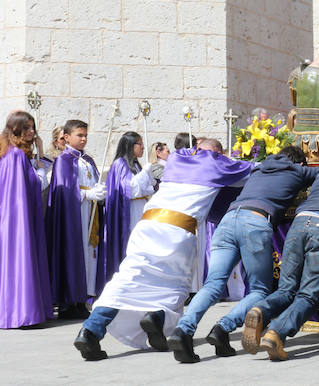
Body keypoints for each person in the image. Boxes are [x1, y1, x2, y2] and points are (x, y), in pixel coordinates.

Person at [73, 141, 252, 361]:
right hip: (177, 230)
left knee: (127, 279)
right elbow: (254, 170)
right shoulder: (217, 164)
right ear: (218, 153)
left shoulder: (177, 159)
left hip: (147, 225)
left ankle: (90, 331)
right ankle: (157, 317)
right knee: (176, 285)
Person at [168, 145, 319, 363]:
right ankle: (222, 328)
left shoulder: (259, 169)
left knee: (212, 285)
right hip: (256, 222)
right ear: (300, 163)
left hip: (228, 220)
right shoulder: (297, 170)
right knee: (259, 290)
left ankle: (183, 331)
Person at [242, 152, 319, 362]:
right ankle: (276, 332)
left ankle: (260, 310)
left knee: (286, 289)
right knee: (308, 295)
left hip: (299, 222)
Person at [46, 119, 106, 319]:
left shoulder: (87, 159)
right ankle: (69, 301)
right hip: (74, 214)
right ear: (67, 137)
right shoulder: (64, 160)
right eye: (79, 135)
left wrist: (100, 191)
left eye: (85, 135)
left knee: (90, 255)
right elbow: (64, 191)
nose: (83, 139)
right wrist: (87, 194)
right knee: (74, 253)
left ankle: (83, 298)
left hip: (90, 211)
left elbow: (94, 180)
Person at [0, 111, 54, 328]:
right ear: (16, 130)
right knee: (20, 259)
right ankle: (22, 313)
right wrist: (41, 172)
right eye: (28, 128)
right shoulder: (16, 156)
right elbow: (31, 186)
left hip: (9, 218)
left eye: (33, 128)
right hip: (18, 219)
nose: (32, 132)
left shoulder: (6, 153)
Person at [96, 132, 163, 294]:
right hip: (129, 212)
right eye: (139, 144)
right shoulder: (120, 164)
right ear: (130, 145)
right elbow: (131, 189)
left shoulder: (136, 164)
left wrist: (147, 181)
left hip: (141, 210)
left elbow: (147, 188)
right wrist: (146, 171)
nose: (142, 147)